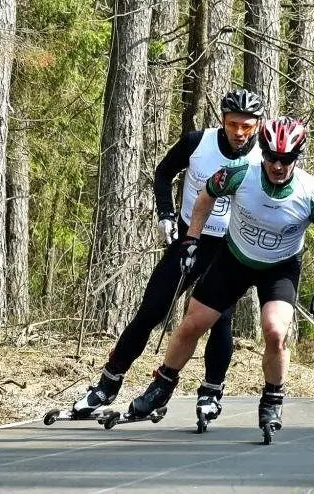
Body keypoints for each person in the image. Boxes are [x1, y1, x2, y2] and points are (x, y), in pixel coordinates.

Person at [126, 117, 314, 434]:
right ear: (263, 153)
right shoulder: (242, 174)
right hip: (234, 259)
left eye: (286, 160)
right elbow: (205, 196)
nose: (278, 166)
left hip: (279, 267)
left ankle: (271, 399)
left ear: (297, 158)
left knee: (273, 330)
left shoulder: (312, 193)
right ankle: (161, 386)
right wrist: (191, 240)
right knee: (193, 323)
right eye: (271, 157)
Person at [70, 89, 265, 424]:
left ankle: (211, 392)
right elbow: (163, 173)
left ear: (257, 125)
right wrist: (165, 214)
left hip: (229, 250)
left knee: (220, 320)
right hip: (190, 240)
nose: (239, 133)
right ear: (222, 120)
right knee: (151, 311)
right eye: (233, 124)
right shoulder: (196, 142)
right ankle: (107, 385)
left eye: (247, 126)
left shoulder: (263, 157)